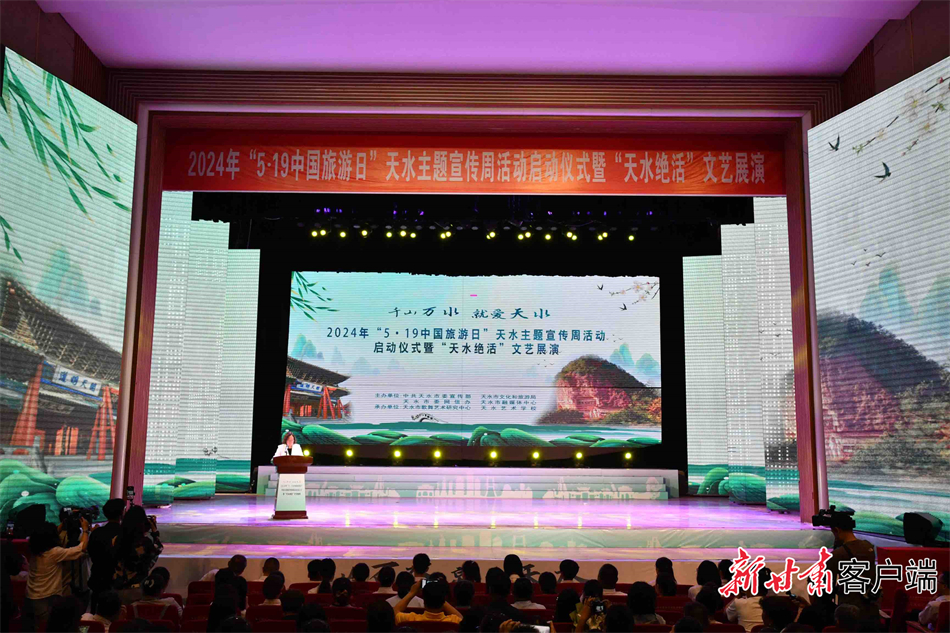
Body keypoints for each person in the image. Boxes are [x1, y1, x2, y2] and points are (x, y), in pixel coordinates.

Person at [24, 519, 90, 632]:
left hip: (31, 596)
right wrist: (85, 530)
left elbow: (43, 535)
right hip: (46, 597)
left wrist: (63, 523)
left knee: (37, 627)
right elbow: (81, 548)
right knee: (48, 628)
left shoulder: (34, 550)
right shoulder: (54, 553)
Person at [827, 512, 878, 621]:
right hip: (870, 610)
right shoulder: (869, 547)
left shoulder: (837, 554)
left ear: (837, 530)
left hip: (848, 614)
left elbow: (827, 587)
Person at [113, 506, 163, 599]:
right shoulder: (144, 543)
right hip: (137, 589)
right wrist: (154, 530)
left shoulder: (116, 540)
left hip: (117, 588)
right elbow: (159, 548)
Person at [88, 499, 125, 610]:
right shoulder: (125, 533)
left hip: (98, 581)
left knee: (96, 615)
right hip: (118, 583)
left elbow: (91, 553)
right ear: (122, 513)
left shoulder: (97, 533)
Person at [393, 579, 463, 625]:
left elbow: (394, 612)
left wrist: (412, 592)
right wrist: (439, 595)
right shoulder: (454, 621)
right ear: (443, 602)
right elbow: (461, 618)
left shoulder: (410, 620)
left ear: (423, 602)